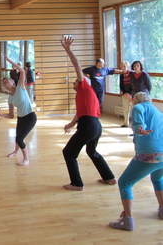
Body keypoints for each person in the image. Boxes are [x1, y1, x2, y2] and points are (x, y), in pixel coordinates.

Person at [61, 36, 116, 191]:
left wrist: (68, 50)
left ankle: (77, 184)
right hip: (96, 126)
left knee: (68, 153)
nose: (74, 82)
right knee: (92, 151)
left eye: (75, 81)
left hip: (88, 126)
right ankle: (109, 177)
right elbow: (80, 114)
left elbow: (77, 66)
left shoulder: (84, 87)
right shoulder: (83, 95)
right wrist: (70, 124)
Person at [109, 92, 163, 231]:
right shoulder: (157, 111)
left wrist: (140, 130)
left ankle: (127, 220)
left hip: (149, 154)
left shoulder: (138, 108)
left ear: (134, 101)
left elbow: (139, 125)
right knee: (157, 178)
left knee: (124, 183)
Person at [1, 57, 37, 166]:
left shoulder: (20, 87)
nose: (6, 82)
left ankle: (26, 159)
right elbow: (11, 115)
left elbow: (21, 71)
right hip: (20, 117)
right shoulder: (10, 98)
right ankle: (15, 152)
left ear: (12, 82)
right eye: (4, 82)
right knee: (17, 136)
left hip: (30, 117)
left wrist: (10, 61)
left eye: (7, 80)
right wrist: (0, 114)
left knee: (20, 138)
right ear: (4, 87)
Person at [119, 61, 133, 128]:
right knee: (125, 109)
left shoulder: (132, 74)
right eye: (122, 66)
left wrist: (130, 93)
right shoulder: (121, 75)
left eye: (124, 66)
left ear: (128, 67)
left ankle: (134, 125)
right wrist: (124, 93)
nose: (123, 67)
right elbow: (121, 85)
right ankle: (126, 123)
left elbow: (134, 85)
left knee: (134, 109)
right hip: (125, 94)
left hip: (132, 94)